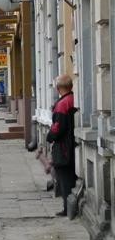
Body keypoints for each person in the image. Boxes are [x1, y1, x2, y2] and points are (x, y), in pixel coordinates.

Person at [46, 74, 77, 217]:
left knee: (64, 178)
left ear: (58, 88)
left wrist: (50, 137)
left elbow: (57, 127)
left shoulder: (62, 104)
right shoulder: (73, 99)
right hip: (73, 143)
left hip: (63, 147)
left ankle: (67, 208)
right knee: (71, 176)